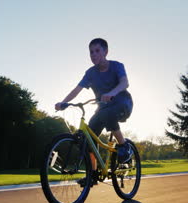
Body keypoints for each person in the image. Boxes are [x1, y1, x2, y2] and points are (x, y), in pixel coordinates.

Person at [55, 38, 133, 172]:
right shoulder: (90, 73)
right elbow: (77, 89)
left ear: (106, 52)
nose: (93, 54)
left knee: (108, 114)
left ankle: (124, 145)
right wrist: (63, 102)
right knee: (88, 140)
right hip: (103, 109)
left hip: (122, 104)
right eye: (91, 52)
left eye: (97, 51)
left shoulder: (117, 66)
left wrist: (112, 93)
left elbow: (124, 83)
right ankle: (92, 174)